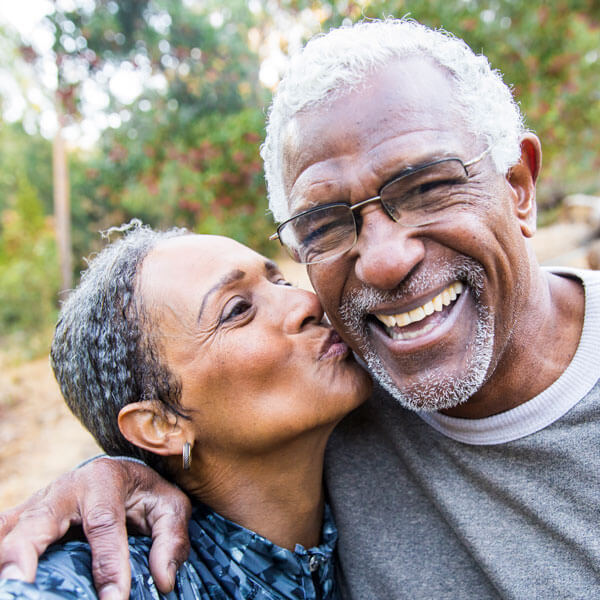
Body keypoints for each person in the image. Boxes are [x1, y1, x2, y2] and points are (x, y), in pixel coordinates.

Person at [1, 17, 599, 600]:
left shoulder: (355, 376)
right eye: (326, 225)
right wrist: (103, 477)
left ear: (518, 186)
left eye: (427, 187)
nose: (384, 262)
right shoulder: (359, 379)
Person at [0, 223, 371, 599]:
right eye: (238, 309)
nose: (307, 303)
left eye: (282, 283)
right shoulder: (121, 576)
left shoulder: (391, 399)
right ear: (161, 424)